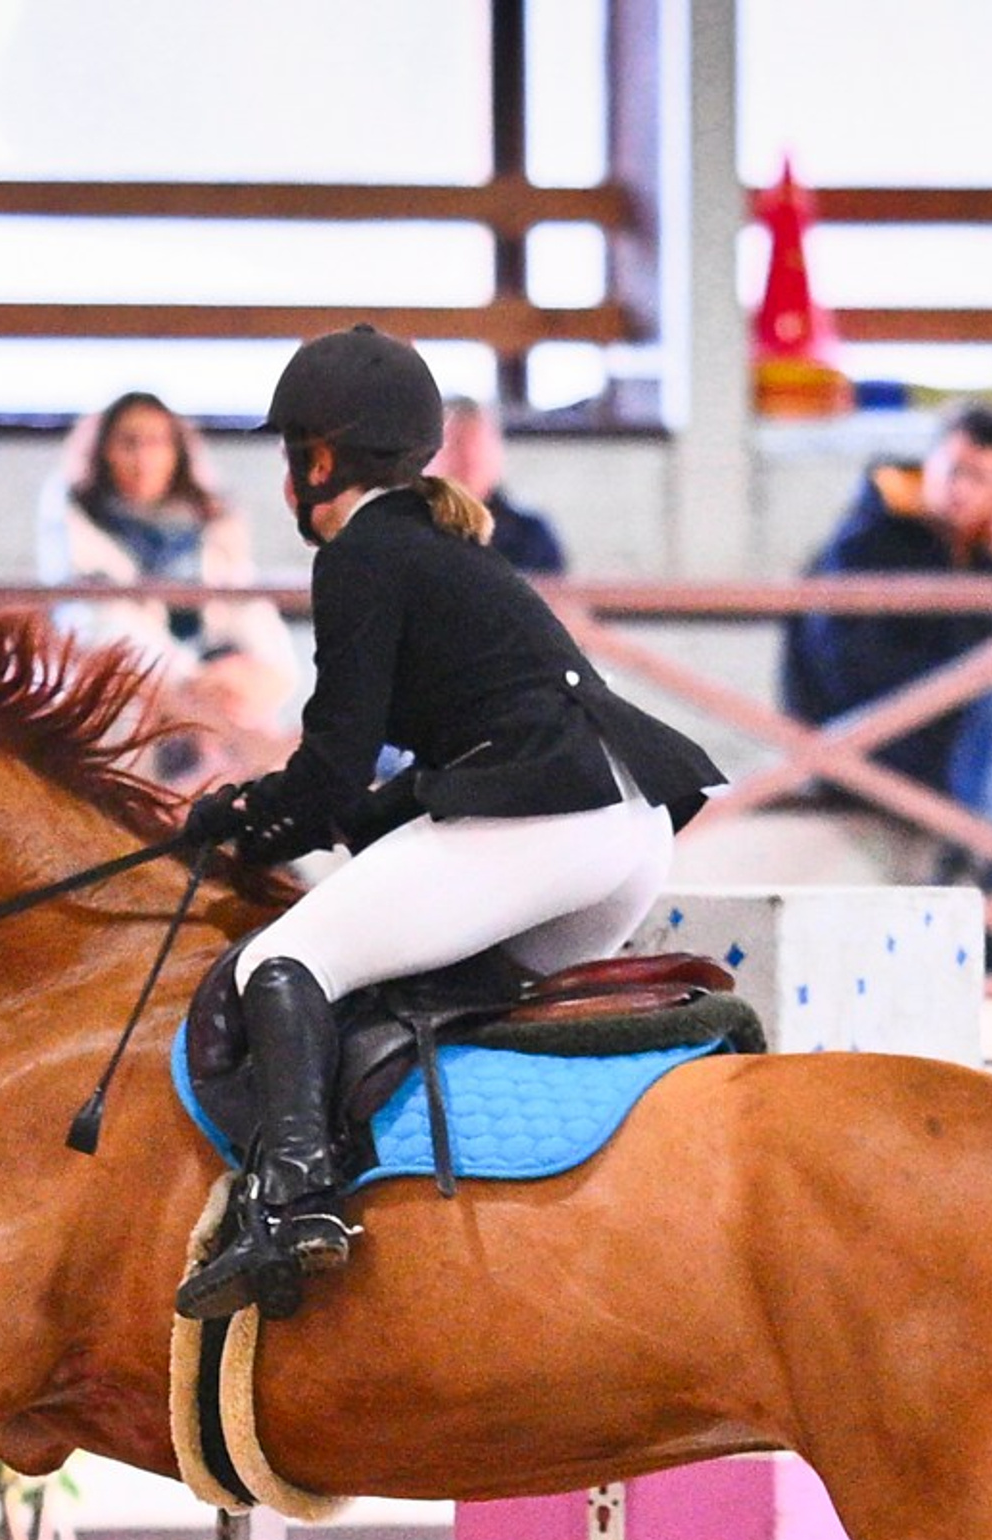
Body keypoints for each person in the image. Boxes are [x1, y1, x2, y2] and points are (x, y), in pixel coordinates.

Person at [172, 324, 724, 1324]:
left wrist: (242, 820)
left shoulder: (360, 557)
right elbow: (413, 778)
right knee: (415, 989)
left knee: (280, 966)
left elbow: (332, 772)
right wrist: (297, 815)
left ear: (319, 459)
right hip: (626, 828)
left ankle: (294, 1200)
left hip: (548, 822)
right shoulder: (437, 543)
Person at [777, 406, 992, 902]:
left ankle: (969, 885)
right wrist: (977, 664)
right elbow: (857, 670)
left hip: (949, 735)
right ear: (931, 465)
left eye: (984, 478)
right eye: (956, 471)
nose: (964, 489)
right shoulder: (869, 540)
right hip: (865, 734)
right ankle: (971, 892)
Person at [38, 391, 297, 784]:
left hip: (214, 682)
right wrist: (190, 679)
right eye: (129, 443)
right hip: (134, 693)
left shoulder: (209, 516)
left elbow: (246, 605)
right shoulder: (77, 513)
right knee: (125, 671)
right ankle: (246, 745)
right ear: (103, 451)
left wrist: (250, 671)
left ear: (177, 451)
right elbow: (108, 627)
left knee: (243, 696)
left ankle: (232, 762)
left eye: (157, 443)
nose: (144, 459)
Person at [432, 395, 568, 574]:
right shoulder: (397, 529)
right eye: (456, 445)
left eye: (478, 446)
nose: (469, 458)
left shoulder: (530, 533)